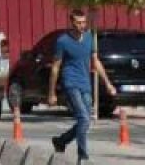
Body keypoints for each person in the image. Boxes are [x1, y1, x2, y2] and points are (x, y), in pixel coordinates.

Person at [49, 9, 116, 163]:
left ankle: (61, 141)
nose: (82, 25)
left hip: (85, 83)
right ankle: (82, 156)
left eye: (84, 22)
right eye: (78, 23)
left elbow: (95, 61)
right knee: (84, 119)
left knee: (84, 122)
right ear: (71, 23)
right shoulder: (63, 41)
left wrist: (107, 83)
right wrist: (51, 93)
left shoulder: (89, 38)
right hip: (70, 82)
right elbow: (55, 67)